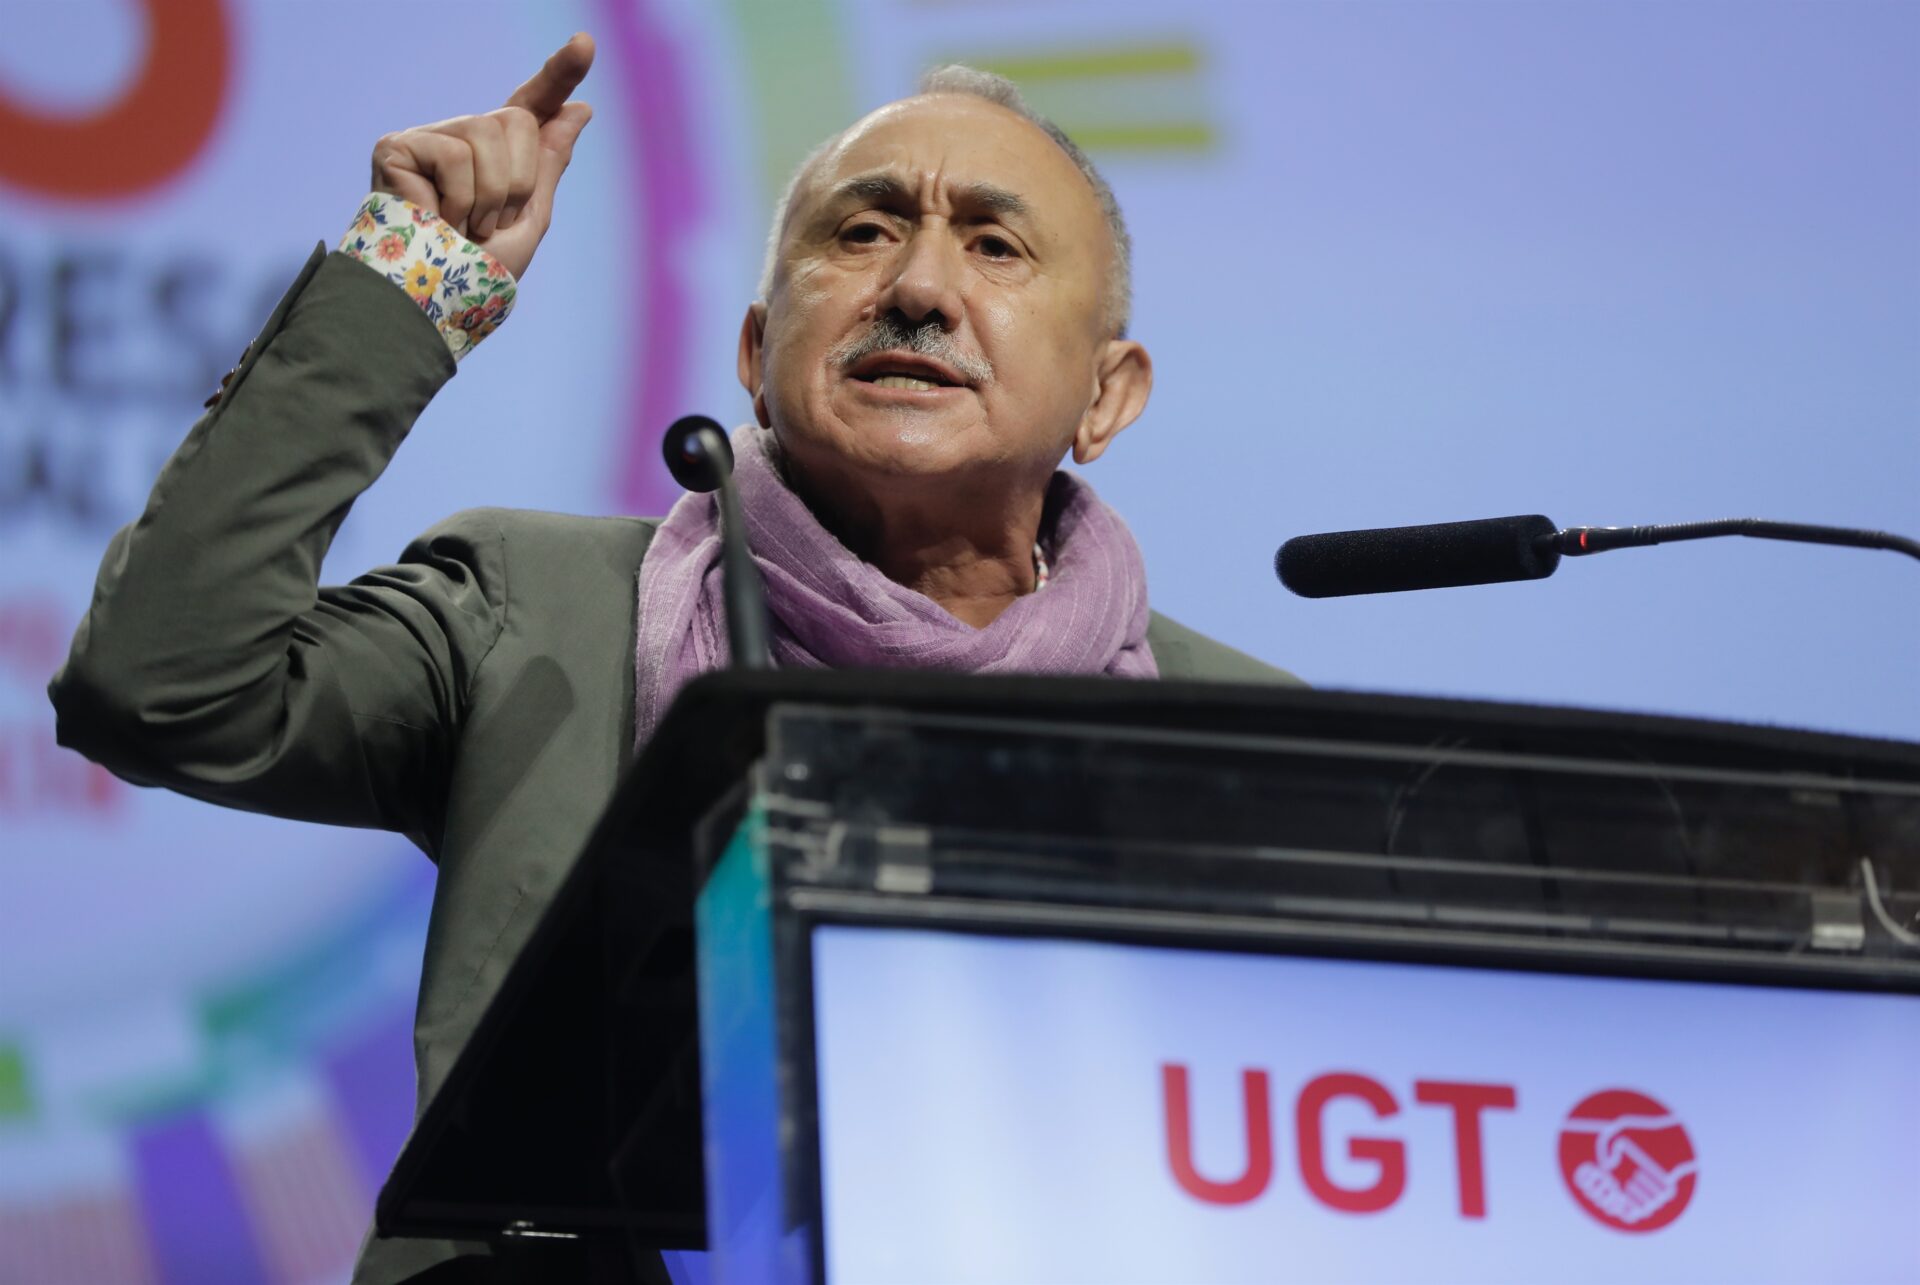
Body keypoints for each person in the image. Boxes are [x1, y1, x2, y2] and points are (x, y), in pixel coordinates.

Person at [48, 32, 1298, 1284]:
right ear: (755, 355)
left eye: (995, 246)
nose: (919, 286)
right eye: (863, 233)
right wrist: (407, 283)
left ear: (1107, 395)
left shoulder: (1256, 748)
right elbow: (161, 686)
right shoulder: (540, 613)